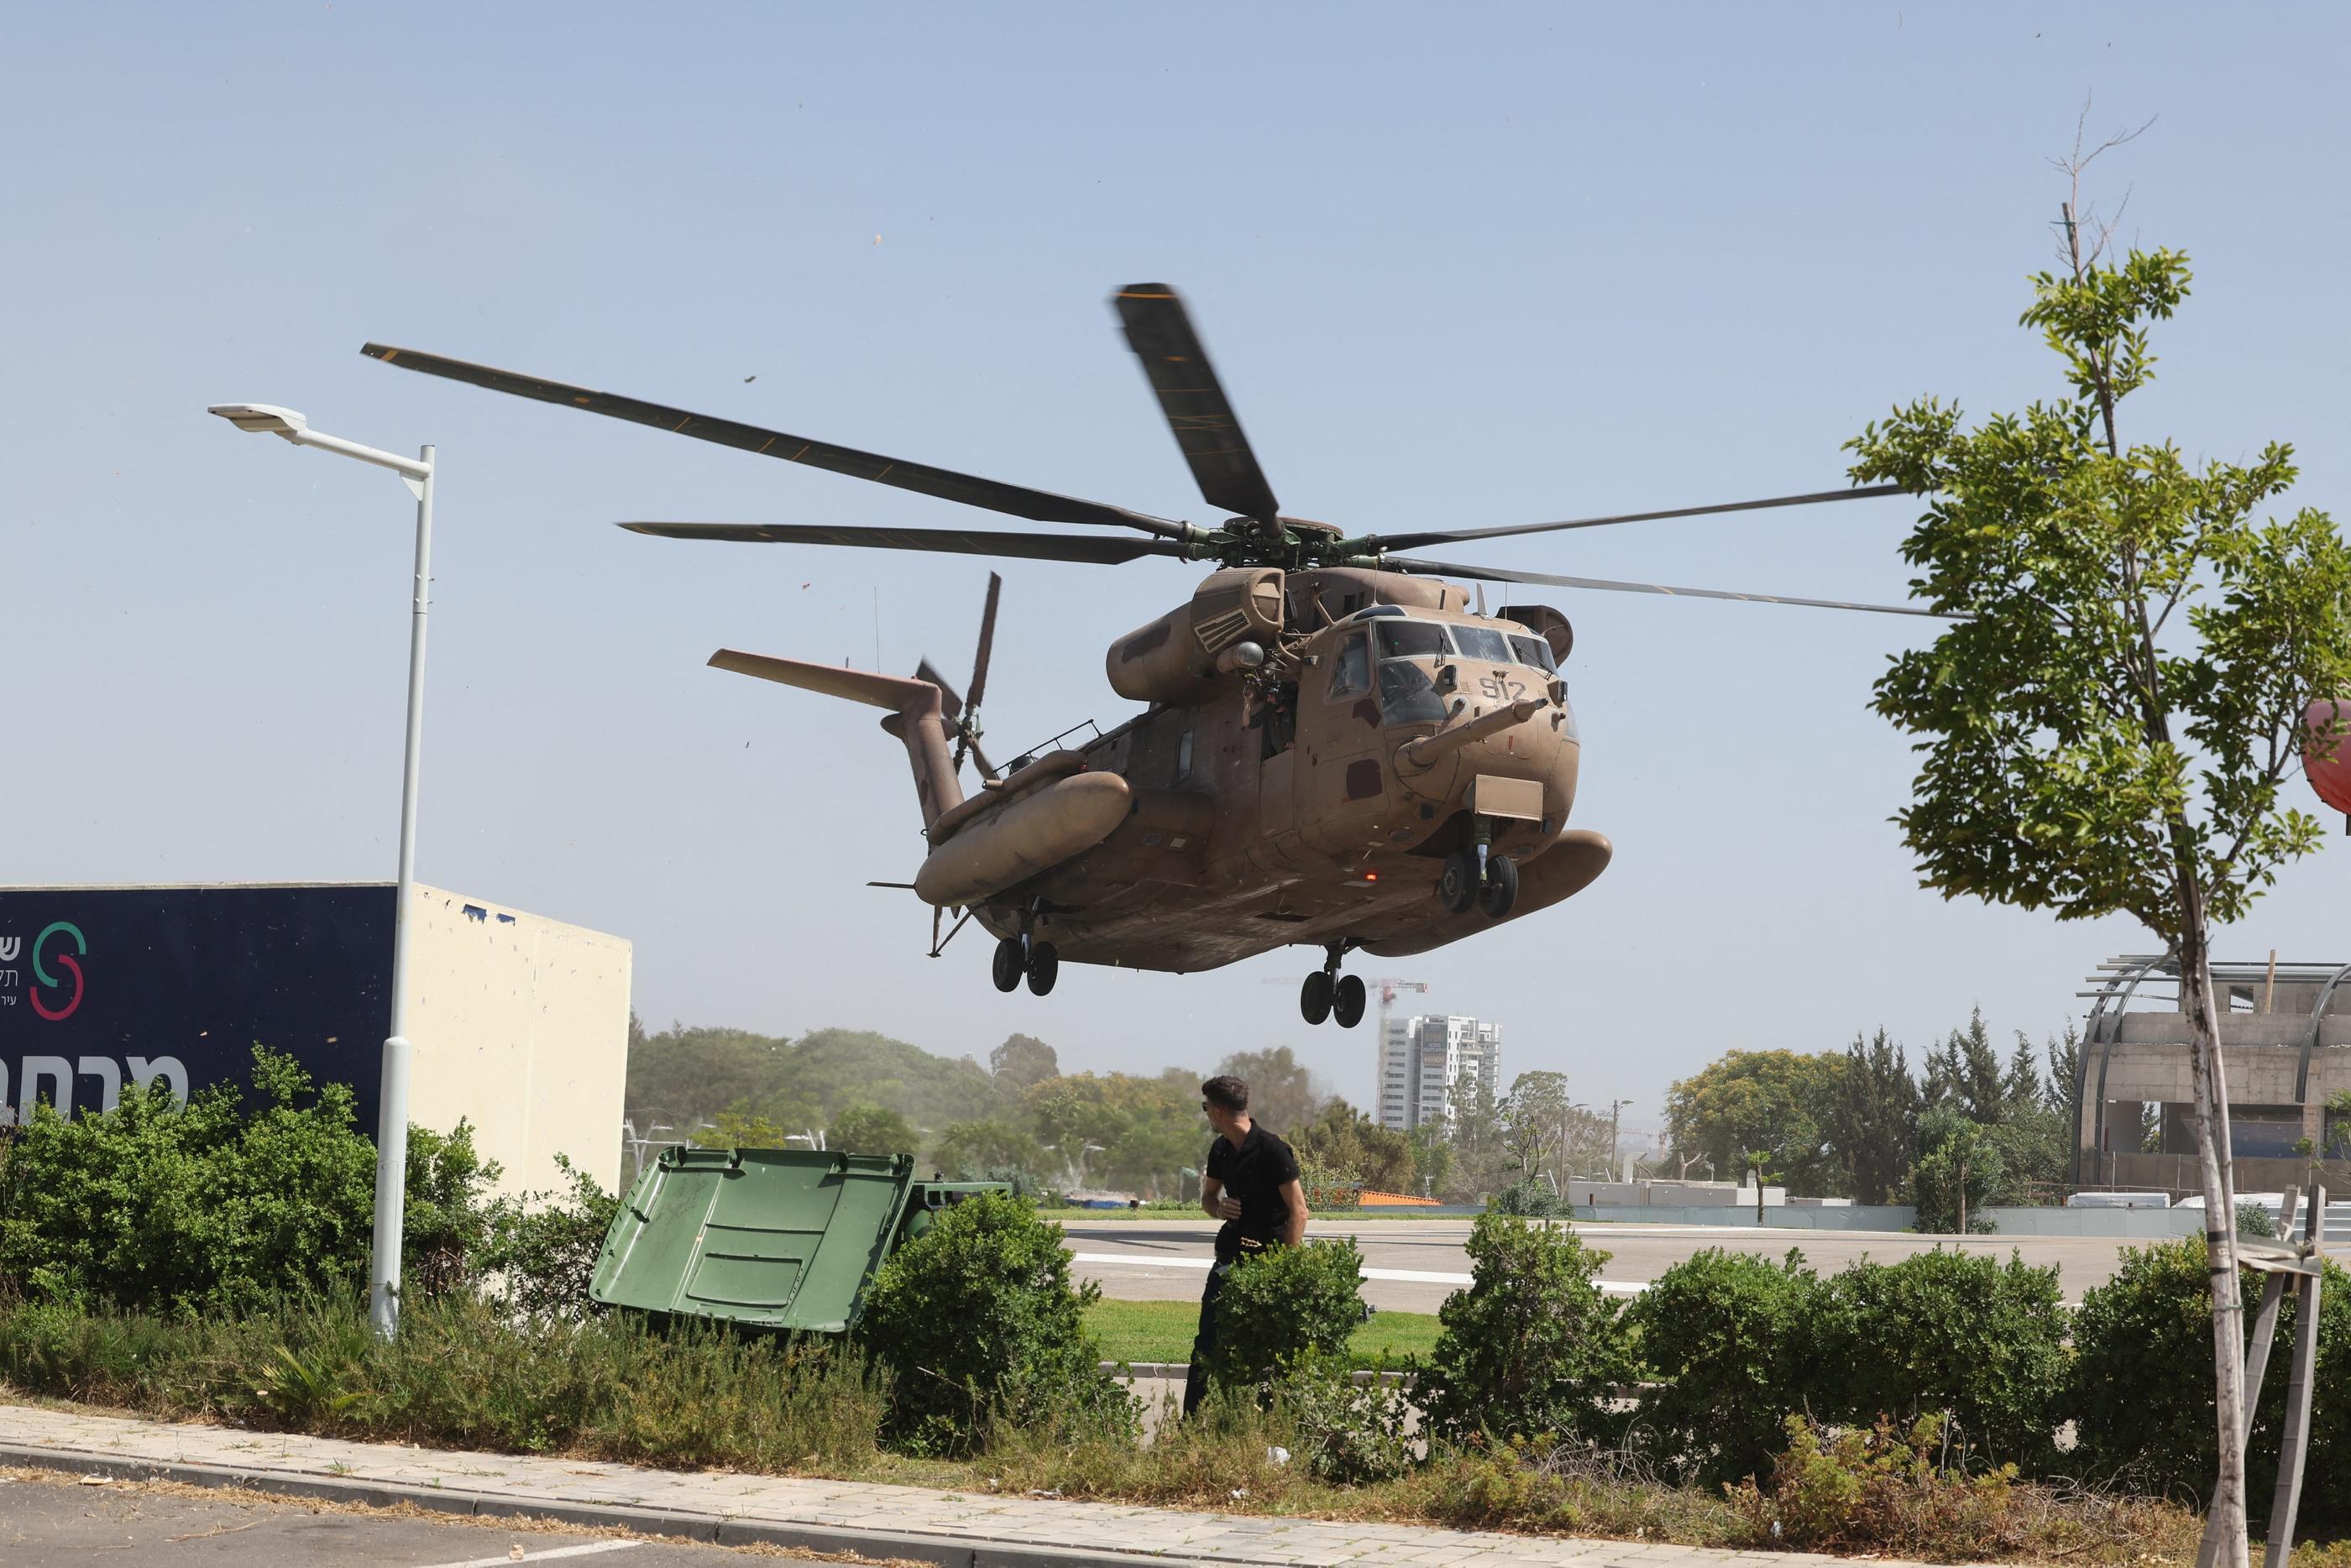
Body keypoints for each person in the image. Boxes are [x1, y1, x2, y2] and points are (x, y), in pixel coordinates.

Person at [1181, 1074, 1308, 1417]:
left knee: (1268, 1354)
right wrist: (1219, 1208)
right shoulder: (1221, 1148)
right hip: (1228, 1259)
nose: (1205, 1113)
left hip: (1267, 1262)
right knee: (1206, 1347)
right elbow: (1208, 1199)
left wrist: (1284, 1269)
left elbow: (1299, 1212)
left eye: (1206, 1107)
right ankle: (1188, 1427)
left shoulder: (1272, 1149)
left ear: (1219, 1111)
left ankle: (1271, 1427)